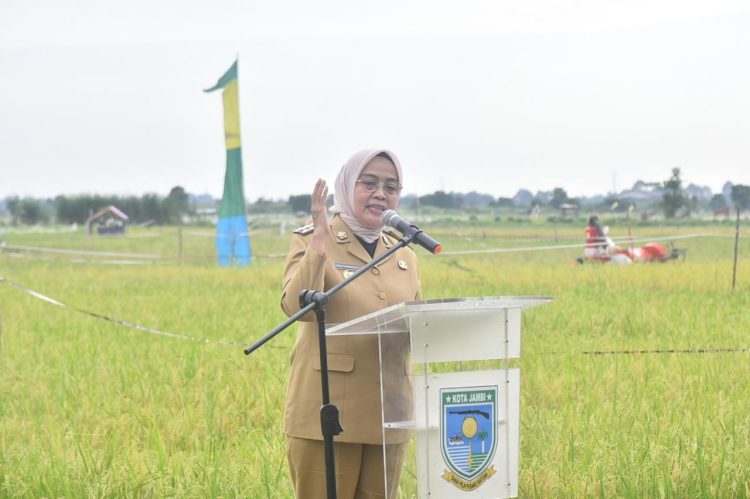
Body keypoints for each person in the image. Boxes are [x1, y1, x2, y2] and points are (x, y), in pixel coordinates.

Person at [281, 149, 422, 498]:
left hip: (389, 412)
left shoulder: (403, 253)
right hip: (328, 413)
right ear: (347, 187)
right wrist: (319, 240)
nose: (381, 193)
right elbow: (295, 306)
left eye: (391, 186)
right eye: (369, 183)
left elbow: (417, 327)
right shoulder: (314, 238)